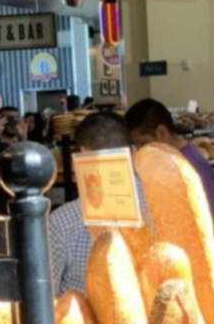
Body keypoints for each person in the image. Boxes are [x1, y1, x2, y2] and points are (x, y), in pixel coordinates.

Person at [49, 110, 148, 296]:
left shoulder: (61, 222)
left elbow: (47, 296)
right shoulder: (160, 204)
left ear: (82, 155)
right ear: (134, 152)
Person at [124, 98, 214, 244]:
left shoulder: (194, 166)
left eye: (143, 143)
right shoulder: (161, 162)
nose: (139, 150)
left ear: (162, 133)